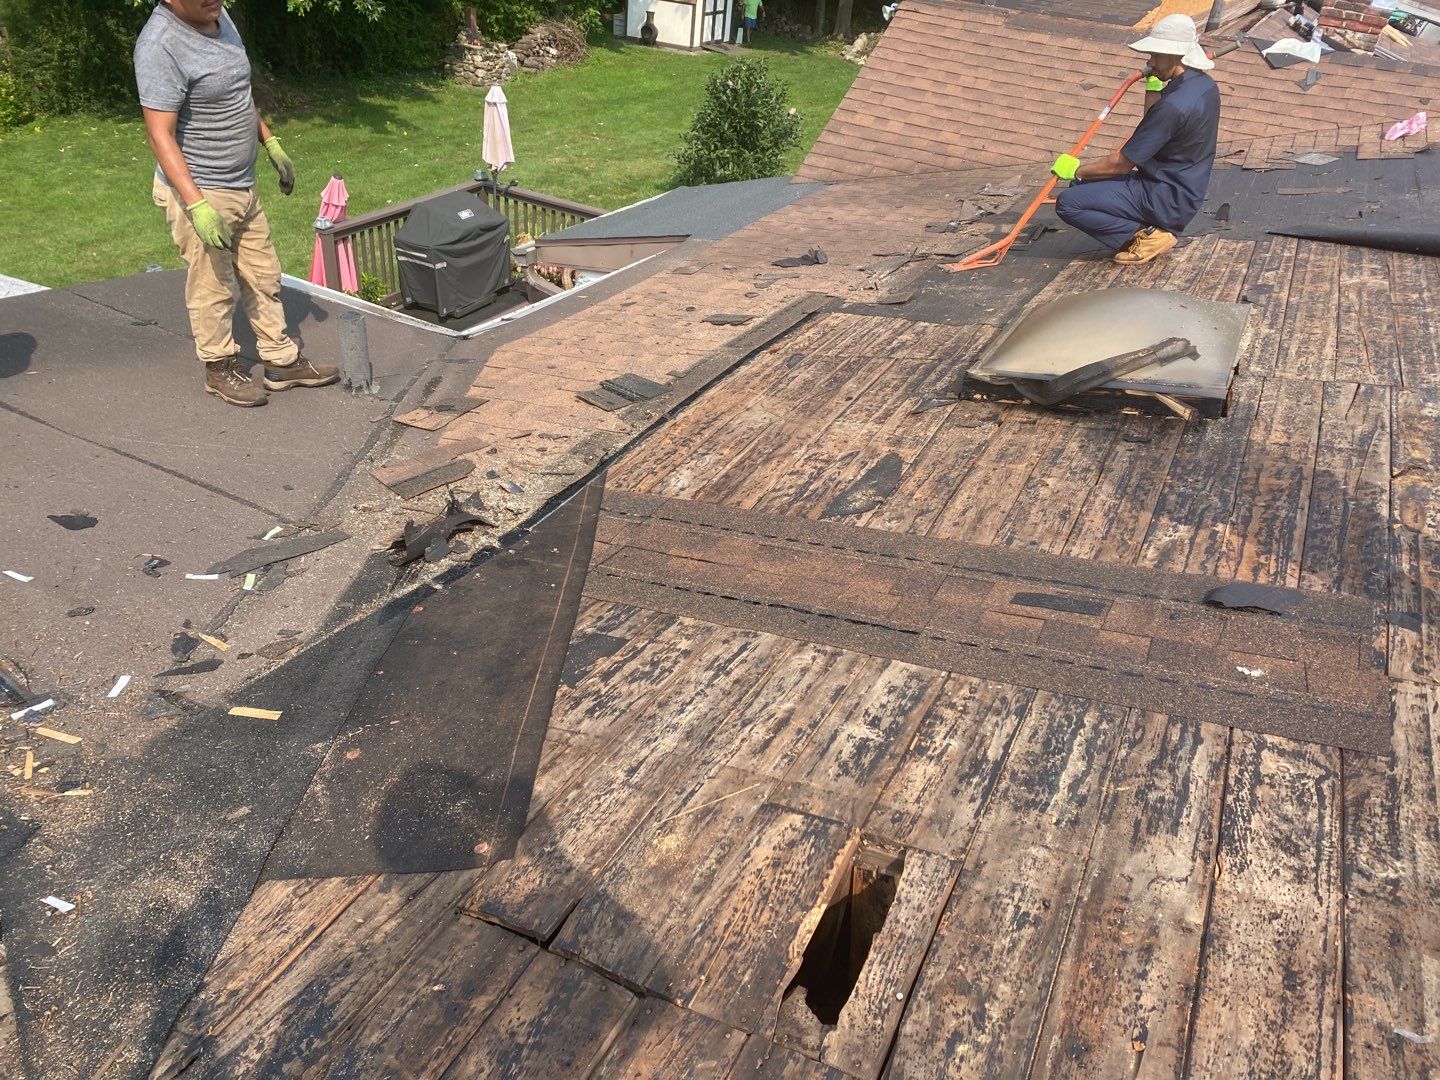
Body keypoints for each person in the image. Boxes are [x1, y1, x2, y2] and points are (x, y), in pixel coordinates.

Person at [134, 0, 338, 407]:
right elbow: (160, 135)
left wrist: (269, 140)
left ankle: (281, 361)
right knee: (214, 285)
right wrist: (196, 205)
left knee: (264, 274)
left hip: (242, 183)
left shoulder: (217, 14)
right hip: (203, 190)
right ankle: (219, 367)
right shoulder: (160, 45)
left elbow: (236, 92)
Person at [1051, 14, 1221, 265]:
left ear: (1175, 56)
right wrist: (1153, 87)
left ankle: (1149, 235)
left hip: (1163, 196)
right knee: (1082, 186)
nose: (1150, 62)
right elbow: (1157, 122)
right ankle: (1150, 227)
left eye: (1155, 55)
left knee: (1069, 202)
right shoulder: (1204, 86)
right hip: (1182, 187)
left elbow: (1120, 165)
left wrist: (1075, 170)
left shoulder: (1174, 105)